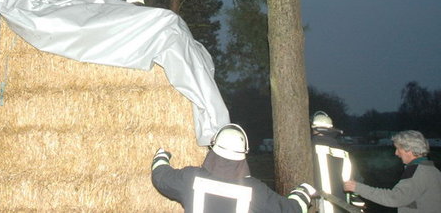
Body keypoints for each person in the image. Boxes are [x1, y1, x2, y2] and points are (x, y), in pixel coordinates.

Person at [152, 123, 317, 212]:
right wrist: (303, 192)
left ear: (213, 149)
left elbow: (160, 177)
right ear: (243, 155)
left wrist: (161, 156)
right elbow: (292, 210)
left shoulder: (190, 179)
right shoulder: (255, 190)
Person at [344, 130, 441, 213]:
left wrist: (357, 187)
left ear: (408, 149)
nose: (396, 153)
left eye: (398, 149)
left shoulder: (416, 171)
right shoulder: (433, 170)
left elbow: (394, 198)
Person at [310, 111, 364, 211]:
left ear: (314, 130)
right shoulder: (344, 154)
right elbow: (357, 185)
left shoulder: (307, 150)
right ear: (331, 129)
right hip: (341, 209)